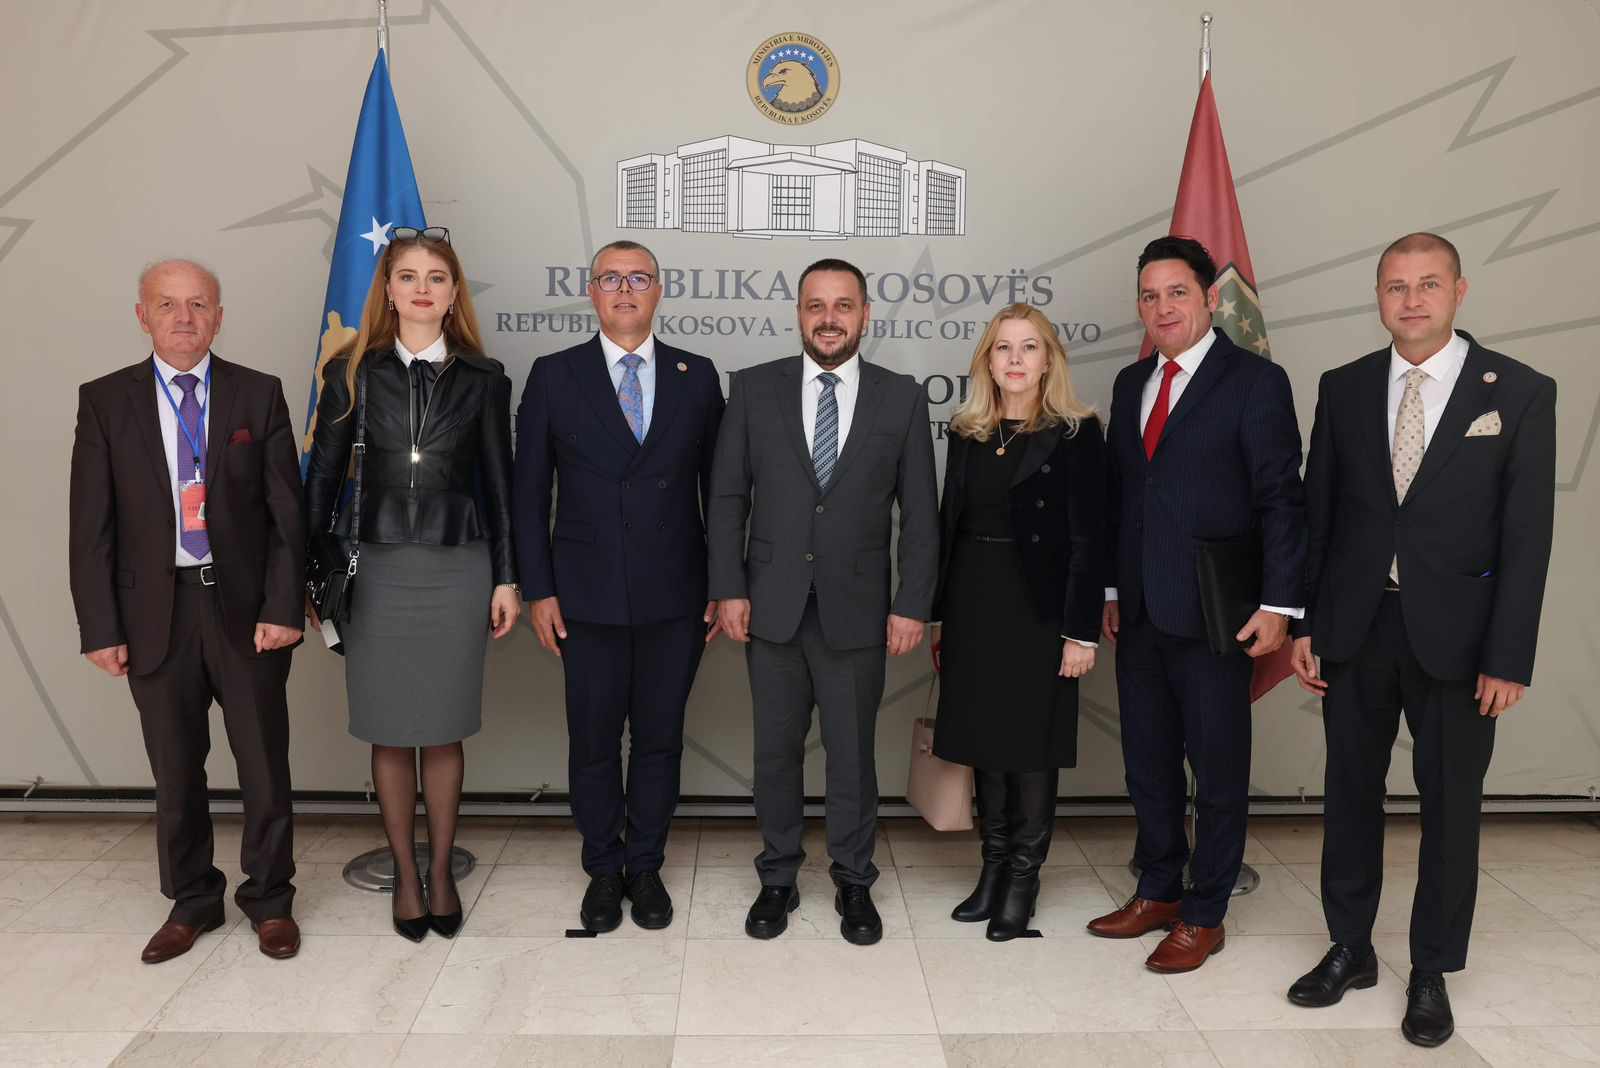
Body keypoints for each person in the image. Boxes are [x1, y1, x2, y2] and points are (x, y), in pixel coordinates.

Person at [1286, 233, 1556, 1048]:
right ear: (1379, 296)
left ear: (1459, 291)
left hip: (1462, 642)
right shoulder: (1344, 386)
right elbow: (1319, 514)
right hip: (1357, 626)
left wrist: (1508, 657)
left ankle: (1432, 969)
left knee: (1450, 806)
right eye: (1396, 286)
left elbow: (1528, 537)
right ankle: (1350, 947)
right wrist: (1306, 623)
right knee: (1348, 795)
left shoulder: (1519, 390)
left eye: (1428, 284)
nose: (1411, 300)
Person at [69, 259, 305, 963]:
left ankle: (270, 899)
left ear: (219, 317)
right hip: (154, 611)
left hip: (246, 611)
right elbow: (91, 525)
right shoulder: (105, 400)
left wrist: (284, 605)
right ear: (142, 315)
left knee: (264, 763)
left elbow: (287, 515)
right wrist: (100, 626)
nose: (183, 318)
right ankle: (192, 899)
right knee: (176, 770)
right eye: (167, 304)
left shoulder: (258, 394)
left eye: (198, 304)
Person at [708, 257, 939, 946]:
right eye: (816, 305)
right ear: (799, 314)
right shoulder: (754, 389)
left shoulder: (902, 398)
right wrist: (728, 588)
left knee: (852, 755)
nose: (829, 318)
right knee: (775, 753)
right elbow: (728, 498)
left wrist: (912, 603)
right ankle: (777, 876)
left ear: (865, 314)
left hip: (859, 610)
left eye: (843, 305)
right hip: (771, 606)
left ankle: (854, 879)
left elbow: (920, 514)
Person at [1091, 236, 1306, 972]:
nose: (1162, 308)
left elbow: (1282, 500)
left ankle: (1206, 911)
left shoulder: (1255, 381)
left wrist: (1280, 605)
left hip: (1220, 613)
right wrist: (1111, 590)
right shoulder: (1131, 383)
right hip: (1140, 611)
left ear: (1210, 298)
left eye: (1177, 293)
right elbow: (1122, 496)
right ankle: (1158, 889)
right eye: (1150, 296)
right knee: (1148, 764)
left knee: (1217, 770)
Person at [303, 227, 519, 942]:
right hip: (375, 569)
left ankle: (441, 874)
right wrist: (307, 575)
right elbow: (321, 482)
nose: (422, 288)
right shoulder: (351, 372)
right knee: (391, 730)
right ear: (388, 292)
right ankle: (404, 873)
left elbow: (502, 487)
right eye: (408, 277)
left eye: (436, 278)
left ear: (454, 295)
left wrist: (507, 578)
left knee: (444, 727)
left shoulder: (485, 378)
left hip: (460, 568)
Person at [513, 240, 725, 933]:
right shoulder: (554, 375)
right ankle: (603, 868)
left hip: (677, 594)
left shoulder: (697, 375)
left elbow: (722, 493)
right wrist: (539, 589)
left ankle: (646, 865)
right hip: (584, 596)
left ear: (659, 290)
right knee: (595, 741)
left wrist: (723, 583)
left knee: (660, 740)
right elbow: (528, 494)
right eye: (611, 278)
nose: (625, 289)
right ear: (592, 291)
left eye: (639, 278)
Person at [930, 304, 1106, 941]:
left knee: (1031, 747)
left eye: (1029, 347)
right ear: (987, 360)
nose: (1014, 359)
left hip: (1041, 610)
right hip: (975, 605)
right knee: (985, 741)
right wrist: (940, 616)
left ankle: (1023, 881)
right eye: (1003, 347)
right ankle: (993, 867)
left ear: (1049, 359)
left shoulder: (1078, 432)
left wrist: (1080, 631)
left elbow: (1090, 537)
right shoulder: (967, 431)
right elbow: (949, 525)